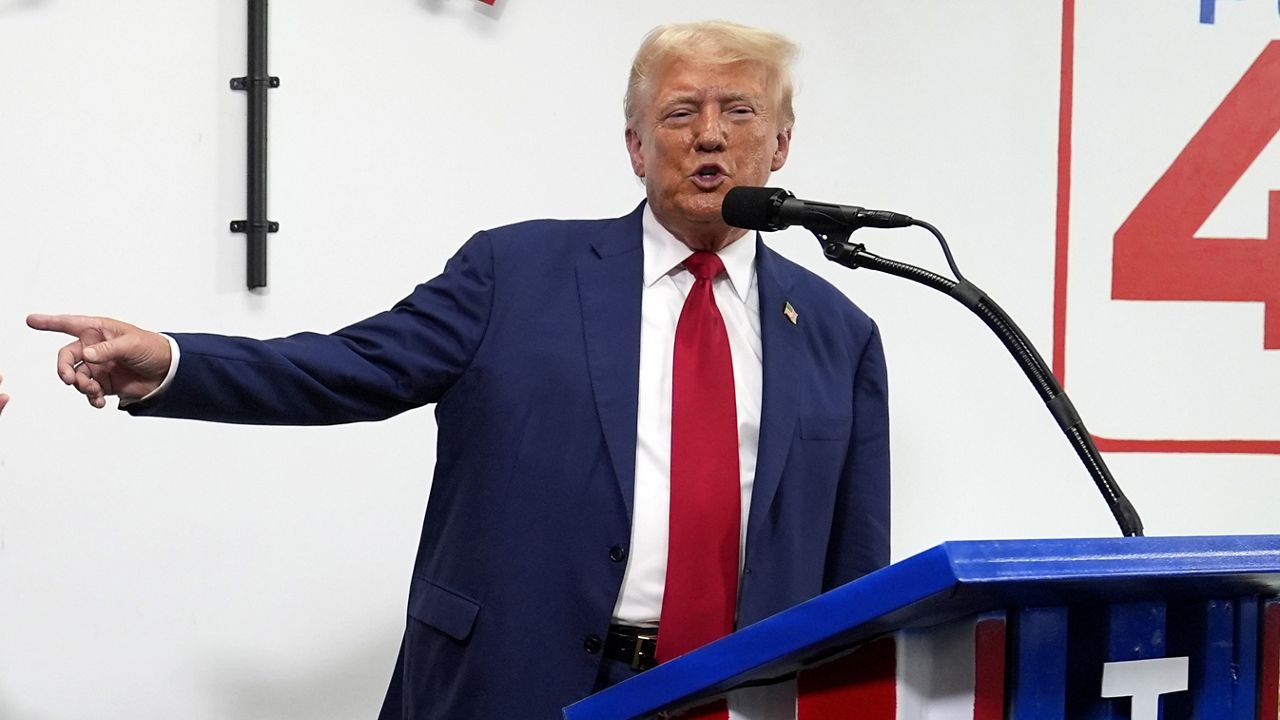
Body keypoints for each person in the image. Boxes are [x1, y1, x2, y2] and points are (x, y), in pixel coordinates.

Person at [29, 20, 889, 720]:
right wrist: (171, 364)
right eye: (679, 113)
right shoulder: (513, 274)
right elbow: (346, 368)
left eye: (738, 112)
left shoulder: (837, 333)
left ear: (780, 145)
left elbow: (856, 571)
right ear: (634, 146)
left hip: (738, 699)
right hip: (513, 685)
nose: (709, 135)